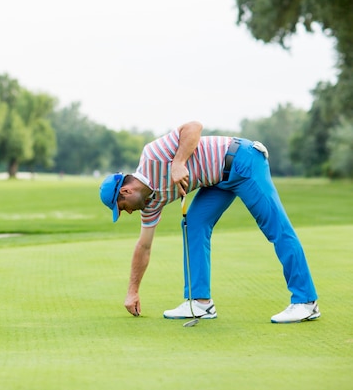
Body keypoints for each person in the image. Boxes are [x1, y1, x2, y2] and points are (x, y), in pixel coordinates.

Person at [99, 121, 319, 323]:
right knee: (193, 223)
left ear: (126, 191)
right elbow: (143, 246)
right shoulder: (151, 204)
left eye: (122, 208)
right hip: (217, 181)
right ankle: (200, 302)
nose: (127, 213)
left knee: (276, 227)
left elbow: (193, 127)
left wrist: (178, 163)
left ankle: (306, 302)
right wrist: (132, 291)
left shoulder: (152, 155)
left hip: (242, 161)